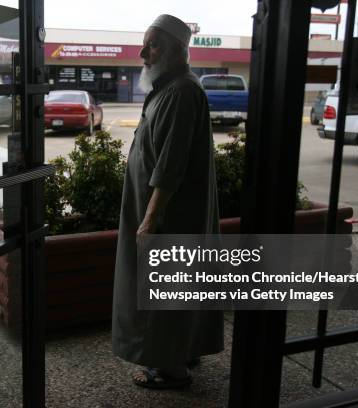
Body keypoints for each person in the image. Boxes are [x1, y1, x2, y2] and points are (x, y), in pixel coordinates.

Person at [111, 14, 224, 389]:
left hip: (168, 216)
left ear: (178, 51)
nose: (143, 52)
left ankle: (171, 370)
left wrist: (149, 219)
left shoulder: (181, 92)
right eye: (144, 44)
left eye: (153, 45)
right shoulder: (170, 87)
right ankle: (181, 351)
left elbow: (170, 164)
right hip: (164, 212)